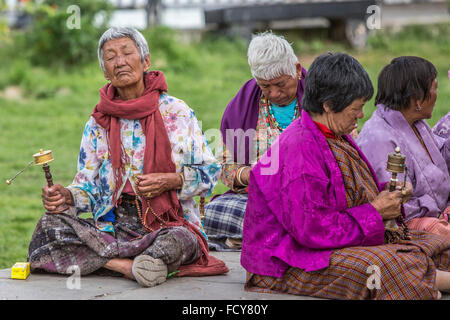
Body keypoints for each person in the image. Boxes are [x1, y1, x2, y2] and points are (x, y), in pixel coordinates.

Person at [27, 27, 228, 287]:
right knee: (49, 227)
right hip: (114, 227)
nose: (119, 61)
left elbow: (211, 175)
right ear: (104, 71)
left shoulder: (177, 112)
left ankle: (115, 259)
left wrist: (172, 181)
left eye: (126, 53)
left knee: (180, 240)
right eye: (110, 57)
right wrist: (67, 196)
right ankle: (129, 266)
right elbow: (87, 185)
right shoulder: (98, 122)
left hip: (168, 224)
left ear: (146, 61)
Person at [241, 52, 450, 300]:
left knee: (436, 245)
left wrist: (389, 193)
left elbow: (350, 190)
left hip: (326, 241)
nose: (361, 115)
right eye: (356, 108)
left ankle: (431, 280)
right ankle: (432, 283)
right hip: (285, 260)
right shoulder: (299, 150)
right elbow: (313, 230)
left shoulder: (334, 134)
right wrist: (375, 210)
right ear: (329, 105)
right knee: (384, 266)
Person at [202, 31, 307, 251]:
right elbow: (224, 166)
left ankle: (254, 237)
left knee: (305, 213)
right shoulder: (242, 106)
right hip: (256, 201)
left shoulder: (320, 98)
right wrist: (248, 175)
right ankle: (280, 236)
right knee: (214, 211)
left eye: (281, 84)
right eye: (265, 86)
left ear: (297, 70)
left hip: (307, 198)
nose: (275, 93)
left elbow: (341, 151)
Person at [357, 56, 450, 237]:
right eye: (435, 88)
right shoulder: (379, 139)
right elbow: (396, 205)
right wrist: (440, 213)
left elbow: (439, 162)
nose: (437, 94)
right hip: (405, 226)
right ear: (417, 100)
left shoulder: (416, 123)